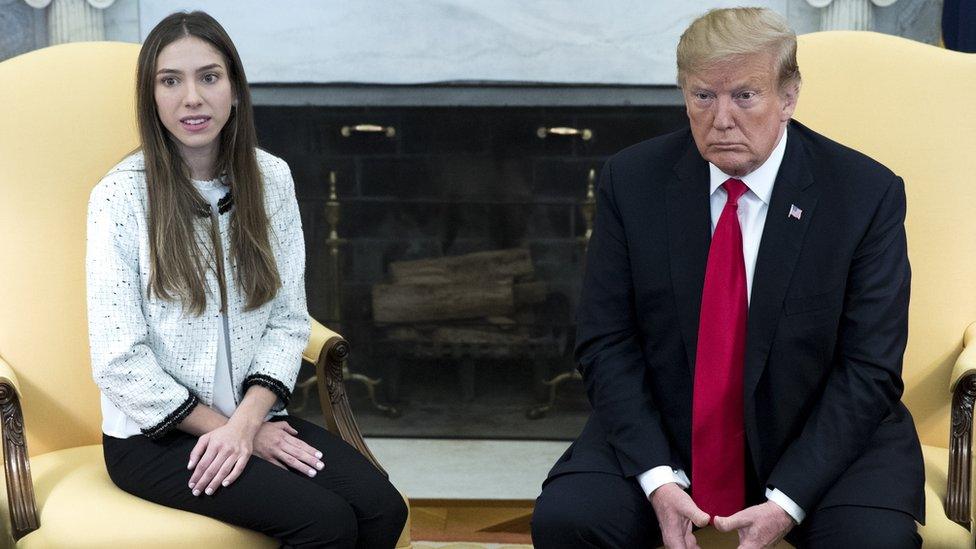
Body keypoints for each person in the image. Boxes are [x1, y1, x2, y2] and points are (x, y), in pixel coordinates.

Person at [531, 7, 924, 549]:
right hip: (668, 426)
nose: (721, 118)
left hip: (820, 436)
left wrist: (787, 502)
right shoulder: (633, 181)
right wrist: (657, 478)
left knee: (872, 542)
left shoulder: (864, 194)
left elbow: (870, 367)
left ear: (788, 98)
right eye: (703, 96)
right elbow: (606, 342)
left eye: (745, 95)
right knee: (571, 520)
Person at [86, 11, 406, 548]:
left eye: (209, 77)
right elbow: (119, 360)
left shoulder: (271, 179)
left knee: (380, 509)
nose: (192, 97)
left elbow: (287, 320)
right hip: (154, 438)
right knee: (324, 522)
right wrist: (234, 434)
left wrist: (250, 423)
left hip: (251, 417)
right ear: (152, 97)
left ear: (234, 90)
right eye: (171, 81)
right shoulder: (119, 198)